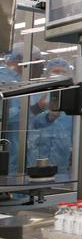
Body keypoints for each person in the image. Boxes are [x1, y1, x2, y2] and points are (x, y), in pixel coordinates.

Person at [27, 58, 74, 173]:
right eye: (55, 72)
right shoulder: (35, 95)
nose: (59, 75)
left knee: (59, 186)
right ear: (47, 74)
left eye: (63, 72)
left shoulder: (72, 99)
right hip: (36, 155)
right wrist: (46, 115)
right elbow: (26, 123)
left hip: (62, 158)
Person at [0, 43, 42, 174]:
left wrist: (49, 117)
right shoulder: (3, 80)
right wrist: (36, 108)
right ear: (19, 60)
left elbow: (34, 123)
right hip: (7, 152)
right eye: (35, 61)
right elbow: (4, 117)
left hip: (27, 156)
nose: (39, 66)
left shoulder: (28, 82)